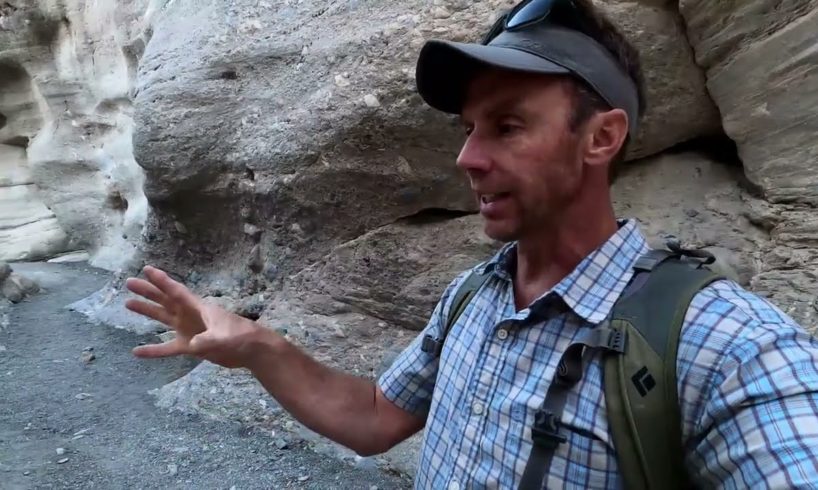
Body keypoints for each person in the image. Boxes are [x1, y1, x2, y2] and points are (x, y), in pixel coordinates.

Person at [124, 0, 818, 488]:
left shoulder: (731, 346)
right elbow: (375, 418)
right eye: (468, 127)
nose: (468, 159)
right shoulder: (475, 295)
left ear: (601, 137)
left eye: (508, 126)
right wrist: (254, 344)